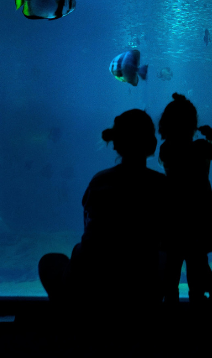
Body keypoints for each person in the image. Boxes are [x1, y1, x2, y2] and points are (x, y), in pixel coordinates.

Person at [39, 109, 169, 306]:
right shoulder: (161, 185)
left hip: (91, 282)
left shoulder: (99, 181)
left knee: (51, 262)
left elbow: (90, 228)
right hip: (140, 287)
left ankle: (68, 315)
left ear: (116, 143)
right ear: (151, 144)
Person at [158, 93, 212, 303]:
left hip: (173, 213)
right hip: (199, 213)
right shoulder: (200, 148)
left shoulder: (166, 149)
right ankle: (198, 307)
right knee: (197, 263)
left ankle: (171, 306)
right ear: (193, 123)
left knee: (171, 267)